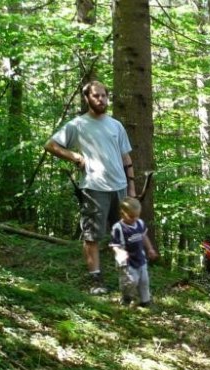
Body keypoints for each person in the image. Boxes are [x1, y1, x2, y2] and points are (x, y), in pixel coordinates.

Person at [45, 80, 136, 294]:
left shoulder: (116, 125)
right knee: (92, 235)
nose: (101, 99)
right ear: (87, 98)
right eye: (96, 96)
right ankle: (96, 280)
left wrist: (131, 189)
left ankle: (125, 277)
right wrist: (74, 156)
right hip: (94, 188)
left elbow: (126, 158)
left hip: (120, 188)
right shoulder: (78, 125)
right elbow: (50, 145)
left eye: (104, 95)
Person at [110, 197, 157, 307]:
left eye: (137, 216)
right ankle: (126, 297)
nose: (135, 219)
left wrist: (150, 249)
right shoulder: (118, 228)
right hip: (127, 261)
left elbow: (144, 236)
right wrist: (119, 252)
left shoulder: (139, 223)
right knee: (131, 281)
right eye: (131, 216)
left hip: (140, 258)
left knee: (144, 280)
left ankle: (145, 301)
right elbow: (114, 245)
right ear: (122, 214)